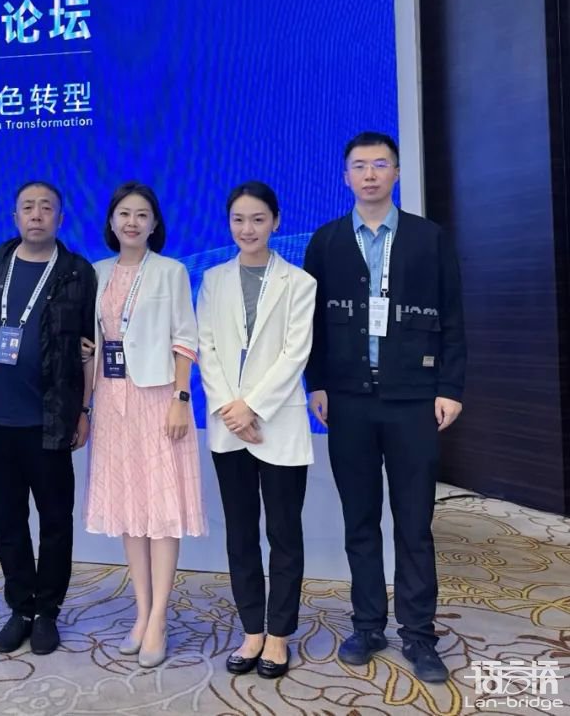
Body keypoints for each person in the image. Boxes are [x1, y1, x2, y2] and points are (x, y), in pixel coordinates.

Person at [304, 132, 466, 684]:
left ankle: (419, 634)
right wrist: (317, 383)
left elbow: (452, 315)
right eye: (359, 166)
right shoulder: (326, 241)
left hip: (413, 400)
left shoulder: (428, 237)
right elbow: (312, 324)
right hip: (348, 400)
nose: (369, 174)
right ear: (345, 176)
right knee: (360, 520)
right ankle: (368, 624)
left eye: (379, 164)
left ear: (396, 172)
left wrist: (450, 386)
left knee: (415, 523)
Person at [0, 181, 96, 656]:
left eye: (46, 208)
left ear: (60, 218)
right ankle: (20, 607)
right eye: (27, 207)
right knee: (7, 522)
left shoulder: (77, 272)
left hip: (51, 420)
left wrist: (84, 410)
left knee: (55, 521)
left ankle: (47, 612)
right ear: (15, 216)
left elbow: (89, 350)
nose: (36, 215)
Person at [83, 181, 206, 668]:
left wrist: (181, 398)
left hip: (158, 399)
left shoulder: (171, 272)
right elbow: (92, 341)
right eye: (124, 214)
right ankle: (141, 610)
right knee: (130, 509)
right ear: (111, 222)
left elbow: (185, 339)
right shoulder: (96, 273)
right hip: (112, 401)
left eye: (141, 214)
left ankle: (159, 618)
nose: (132, 222)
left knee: (162, 509)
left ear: (155, 223)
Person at [197, 181, 315, 680]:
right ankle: (251, 630)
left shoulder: (299, 282)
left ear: (276, 222)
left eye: (258, 219)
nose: (248, 229)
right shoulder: (213, 279)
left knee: (283, 534)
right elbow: (206, 347)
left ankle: (279, 634)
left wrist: (253, 408)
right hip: (229, 427)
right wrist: (231, 408)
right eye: (239, 220)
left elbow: (295, 353)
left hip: (278, 422)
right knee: (241, 533)